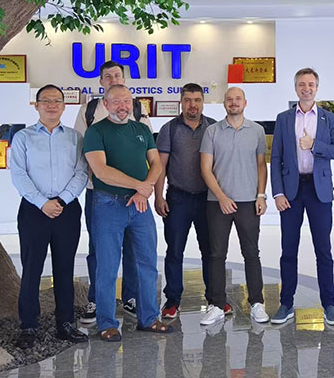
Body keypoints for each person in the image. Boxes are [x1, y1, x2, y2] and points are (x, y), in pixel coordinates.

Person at [83, 84, 172, 342]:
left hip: (140, 206)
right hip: (108, 205)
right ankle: (107, 323)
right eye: (116, 102)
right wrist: (138, 185)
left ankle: (149, 318)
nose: (122, 106)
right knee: (107, 266)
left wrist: (144, 191)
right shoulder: (95, 132)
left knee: (147, 263)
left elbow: (156, 163)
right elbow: (101, 171)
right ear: (106, 105)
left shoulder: (142, 130)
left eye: (126, 101)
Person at [9, 85, 89, 348]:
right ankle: (28, 326)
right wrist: (43, 203)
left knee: (65, 269)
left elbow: (82, 172)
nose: (52, 105)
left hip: (67, 210)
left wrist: (62, 200)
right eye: (46, 101)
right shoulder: (23, 137)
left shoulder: (76, 138)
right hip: (34, 210)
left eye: (57, 101)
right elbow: (19, 174)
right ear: (36, 106)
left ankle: (65, 324)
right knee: (32, 269)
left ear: (64, 106)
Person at [73, 61, 152, 324]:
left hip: (136, 196)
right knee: (100, 251)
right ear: (101, 83)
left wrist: (144, 188)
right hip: (100, 194)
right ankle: (97, 301)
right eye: (108, 76)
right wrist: (100, 181)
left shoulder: (138, 110)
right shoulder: (89, 111)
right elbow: (83, 154)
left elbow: (149, 154)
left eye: (117, 75)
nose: (113, 79)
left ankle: (131, 298)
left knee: (135, 250)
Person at [270, 68, 334, 326]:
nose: (306, 88)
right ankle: (286, 303)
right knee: (288, 249)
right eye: (302, 84)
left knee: (323, 250)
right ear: (295, 88)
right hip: (291, 191)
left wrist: (314, 145)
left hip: (319, 191)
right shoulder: (283, 118)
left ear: (317, 87)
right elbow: (276, 157)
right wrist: (278, 192)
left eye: (311, 84)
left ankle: (329, 304)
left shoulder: (329, 119)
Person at [154, 82, 229, 319]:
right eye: (187, 100)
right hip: (178, 198)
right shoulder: (169, 129)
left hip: (208, 200)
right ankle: (172, 300)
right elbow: (160, 166)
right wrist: (158, 196)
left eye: (197, 100)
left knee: (211, 251)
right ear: (181, 102)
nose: (192, 105)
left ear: (203, 102)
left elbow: (221, 163)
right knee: (175, 251)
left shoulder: (213, 127)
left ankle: (216, 299)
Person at [199, 87, 270, 325]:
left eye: (238, 99)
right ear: (224, 104)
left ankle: (257, 303)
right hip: (217, 202)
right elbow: (205, 169)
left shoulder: (257, 131)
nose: (234, 102)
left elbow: (261, 165)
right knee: (216, 254)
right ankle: (217, 305)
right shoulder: (212, 131)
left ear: (245, 103)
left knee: (251, 253)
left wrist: (261, 195)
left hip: (249, 201)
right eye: (229, 99)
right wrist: (221, 197)